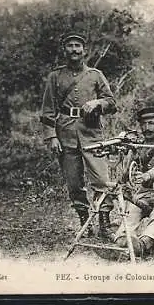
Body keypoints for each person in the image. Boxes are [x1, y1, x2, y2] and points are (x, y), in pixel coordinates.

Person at [40, 31, 117, 240]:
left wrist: (97, 103)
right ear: (64, 49)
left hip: (92, 133)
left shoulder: (95, 75)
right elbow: (47, 111)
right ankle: (84, 221)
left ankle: (104, 222)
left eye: (78, 46)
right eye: (70, 45)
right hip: (65, 134)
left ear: (85, 50)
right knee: (74, 182)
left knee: (102, 179)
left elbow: (112, 103)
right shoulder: (55, 76)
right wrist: (51, 137)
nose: (74, 50)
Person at [113, 104, 154, 257]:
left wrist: (146, 176)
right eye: (143, 124)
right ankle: (123, 241)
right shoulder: (139, 145)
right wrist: (125, 152)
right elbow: (126, 173)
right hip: (143, 194)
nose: (146, 128)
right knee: (128, 220)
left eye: (151, 123)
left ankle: (144, 244)